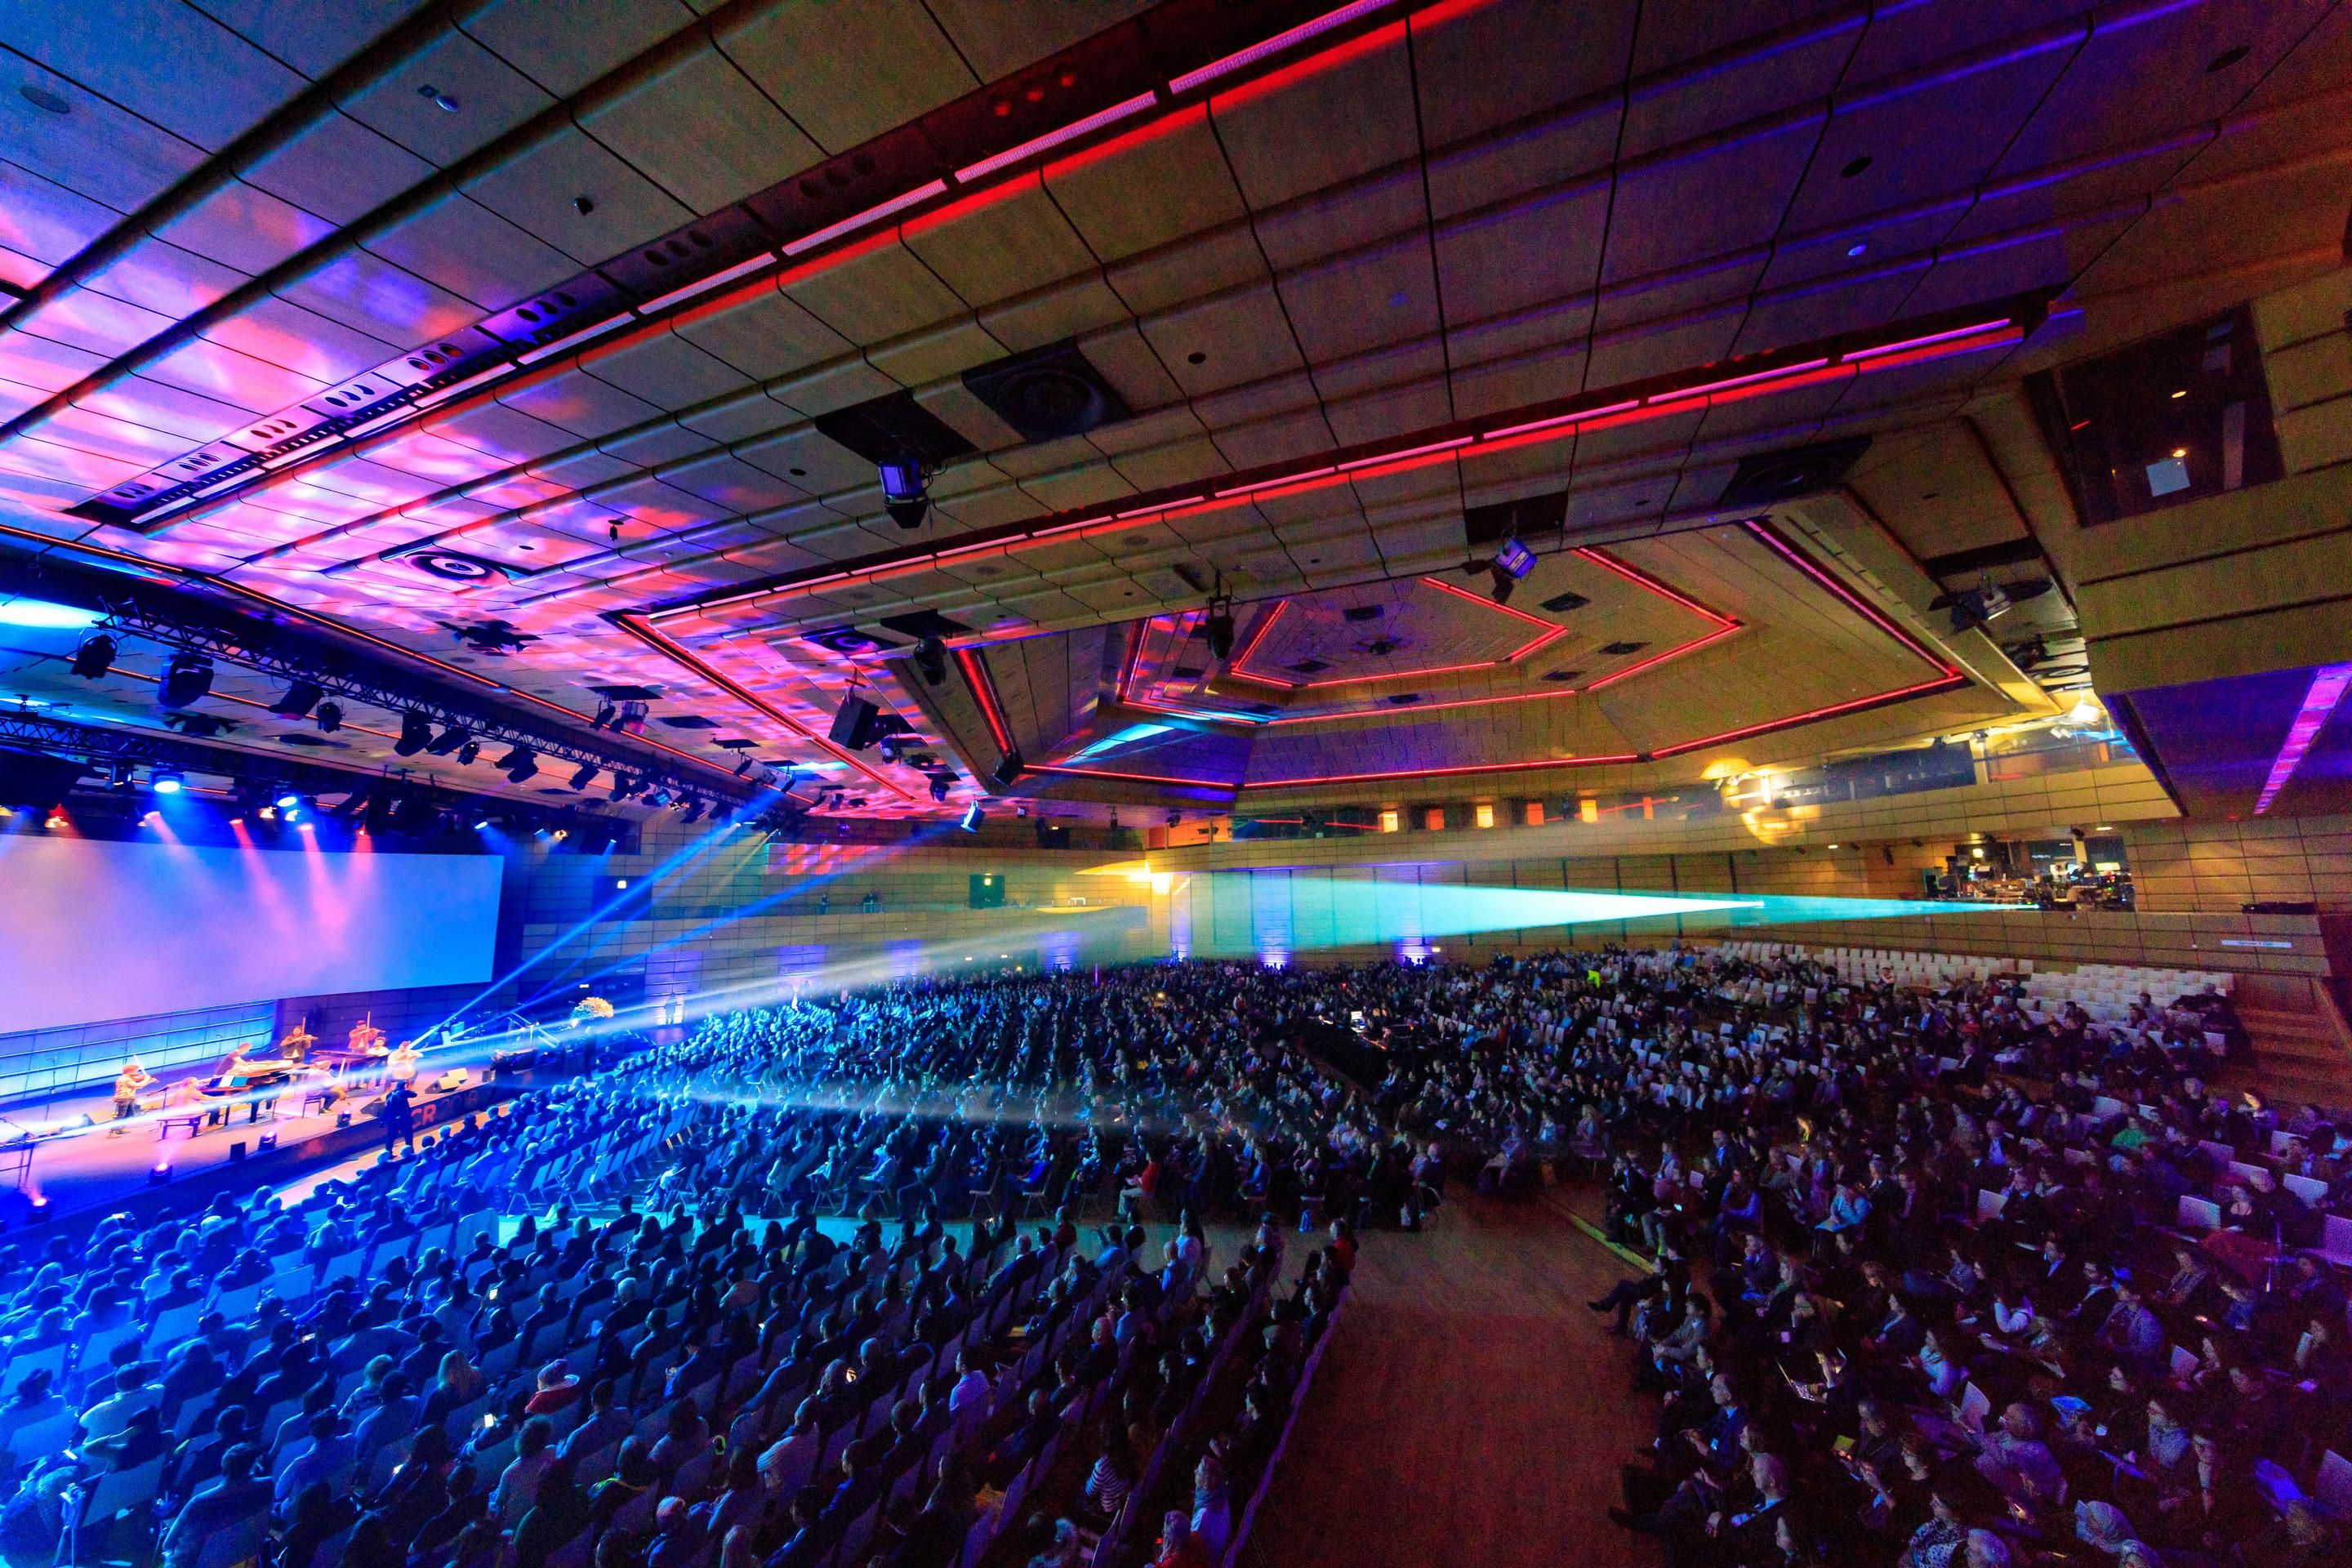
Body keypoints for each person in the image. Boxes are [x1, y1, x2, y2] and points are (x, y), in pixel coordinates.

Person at [159, 1442, 269, 1568]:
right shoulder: (267, 1486)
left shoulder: (199, 1502)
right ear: (252, 1466)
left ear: (224, 1468)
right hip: (238, 1558)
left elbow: (168, 1545)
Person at [381, 1080, 416, 1158]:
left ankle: (388, 1153)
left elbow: (387, 1108)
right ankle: (410, 1152)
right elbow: (414, 1095)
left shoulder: (389, 1095)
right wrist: (407, 1090)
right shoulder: (404, 1092)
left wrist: (382, 1120)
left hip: (392, 1119)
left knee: (390, 1137)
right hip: (404, 1119)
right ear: (404, 1086)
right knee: (408, 1136)